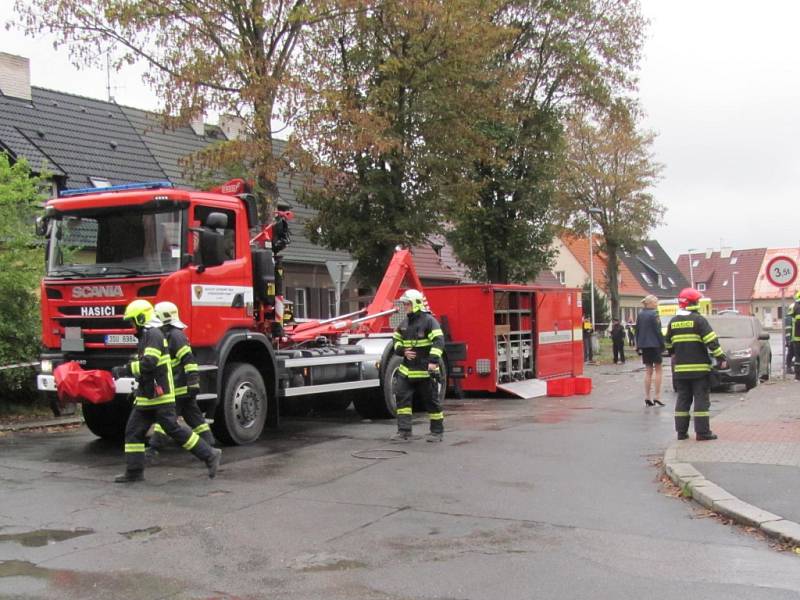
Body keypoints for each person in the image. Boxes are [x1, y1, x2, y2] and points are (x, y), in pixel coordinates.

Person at [111, 299, 221, 482]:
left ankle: (209, 454)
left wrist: (125, 370)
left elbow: (149, 363)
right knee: (133, 432)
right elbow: (148, 370)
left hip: (161, 397)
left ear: (140, 318)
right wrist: (137, 389)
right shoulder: (147, 336)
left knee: (174, 429)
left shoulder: (153, 334)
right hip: (147, 397)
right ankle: (134, 472)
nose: (131, 326)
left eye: (132, 321)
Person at [146, 301, 214, 462]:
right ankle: (209, 444)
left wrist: (192, 381)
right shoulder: (169, 334)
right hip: (181, 387)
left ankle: (154, 448)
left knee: (166, 417)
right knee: (195, 419)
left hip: (179, 387)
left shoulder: (175, 336)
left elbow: (188, 359)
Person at [665, 287, 728, 441]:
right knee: (701, 401)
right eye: (697, 301)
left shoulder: (673, 322)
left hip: (680, 371)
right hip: (699, 370)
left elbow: (668, 345)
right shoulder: (698, 320)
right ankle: (702, 433)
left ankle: (681, 433)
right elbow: (711, 341)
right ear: (692, 303)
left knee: (682, 401)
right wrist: (721, 358)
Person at [390, 289, 445, 443]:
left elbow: (439, 341)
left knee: (431, 402)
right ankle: (404, 432)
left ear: (416, 303)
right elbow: (396, 339)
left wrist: (433, 362)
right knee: (402, 400)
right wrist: (402, 351)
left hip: (426, 371)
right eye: (404, 304)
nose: (405, 307)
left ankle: (437, 432)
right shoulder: (405, 323)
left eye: (407, 304)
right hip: (406, 371)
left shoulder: (429, 321)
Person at [635, 295, 666, 407]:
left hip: (644, 345)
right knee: (658, 370)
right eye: (655, 302)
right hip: (655, 345)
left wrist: (638, 345)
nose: (657, 304)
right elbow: (658, 331)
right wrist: (663, 345)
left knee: (648, 371)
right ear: (650, 303)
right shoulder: (654, 314)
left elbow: (637, 330)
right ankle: (657, 396)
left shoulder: (640, 314)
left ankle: (647, 397)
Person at [792, 291, 800, 381]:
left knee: (798, 357)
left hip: (797, 337)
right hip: (797, 337)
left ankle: (798, 376)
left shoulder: (796, 307)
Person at [785, 302, 795, 375]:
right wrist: (788, 340)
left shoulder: (792, 317)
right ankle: (788, 368)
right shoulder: (789, 318)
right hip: (792, 340)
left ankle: (789, 367)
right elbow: (788, 330)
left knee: (792, 354)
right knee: (791, 353)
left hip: (794, 339)